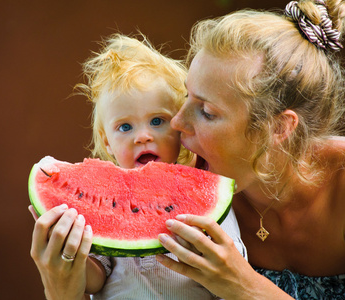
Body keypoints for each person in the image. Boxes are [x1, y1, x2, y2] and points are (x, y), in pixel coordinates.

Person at [154, 0, 345, 299]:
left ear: (279, 127)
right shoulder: (193, 177)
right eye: (187, 95)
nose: (177, 122)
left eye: (207, 111)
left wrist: (246, 288)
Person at [29, 33, 247, 299]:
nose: (143, 136)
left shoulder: (204, 193)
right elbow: (95, 279)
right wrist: (69, 251)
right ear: (107, 142)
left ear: (179, 127)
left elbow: (231, 275)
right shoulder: (101, 203)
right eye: (125, 126)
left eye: (157, 121)